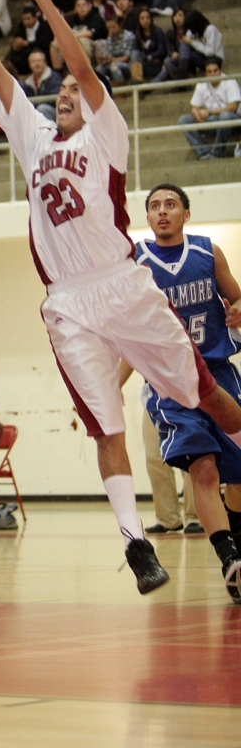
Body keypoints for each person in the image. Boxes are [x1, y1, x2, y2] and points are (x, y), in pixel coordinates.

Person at [0, 0, 241, 593]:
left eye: (78, 88)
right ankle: (136, 545)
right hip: (67, 299)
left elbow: (79, 60)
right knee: (107, 423)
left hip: (122, 283)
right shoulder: (35, 136)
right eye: (64, 91)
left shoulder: (107, 135)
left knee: (216, 402)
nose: (70, 92)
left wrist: (43, 1)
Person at [122, 183, 241, 602]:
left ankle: (238, 548)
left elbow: (237, 298)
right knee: (203, 470)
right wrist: (110, 389)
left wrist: (238, 309)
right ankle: (229, 559)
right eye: (154, 206)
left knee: (238, 477)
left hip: (219, 374)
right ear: (148, 217)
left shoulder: (209, 252)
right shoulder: (136, 262)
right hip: (170, 383)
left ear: (186, 214)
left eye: (170, 204)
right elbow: (130, 337)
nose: (162, 212)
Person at [178, 57, 240, 160]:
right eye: (209, 72)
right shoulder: (201, 84)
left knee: (224, 116)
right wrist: (196, 114)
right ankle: (203, 153)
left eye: (215, 71)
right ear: (206, 74)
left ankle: (217, 153)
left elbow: (233, 107)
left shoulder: (229, 81)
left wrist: (210, 112)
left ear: (221, 71)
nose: (213, 74)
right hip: (212, 121)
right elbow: (194, 107)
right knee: (183, 120)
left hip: (232, 121)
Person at [51, 0, 106, 68]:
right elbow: (62, 31)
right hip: (72, 44)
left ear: (89, 6)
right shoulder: (72, 20)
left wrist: (72, 36)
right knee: (54, 44)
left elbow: (90, 33)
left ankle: (86, 69)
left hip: (91, 44)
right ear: (75, 9)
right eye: (78, 6)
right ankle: (58, 72)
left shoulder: (95, 17)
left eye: (84, 5)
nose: (82, 8)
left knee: (80, 40)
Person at [5, 4, 54, 77]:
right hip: (24, 50)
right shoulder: (21, 26)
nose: (26, 22)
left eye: (28, 18)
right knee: (10, 55)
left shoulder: (44, 26)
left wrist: (28, 43)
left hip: (39, 49)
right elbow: (17, 37)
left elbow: (45, 42)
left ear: (35, 18)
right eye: (24, 19)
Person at [176, 8, 224, 77]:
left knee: (190, 53)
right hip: (202, 56)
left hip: (214, 58)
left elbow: (210, 52)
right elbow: (188, 37)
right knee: (184, 45)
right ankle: (183, 69)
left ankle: (182, 71)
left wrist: (192, 42)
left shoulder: (210, 29)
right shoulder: (195, 31)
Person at [22, 49, 62, 121]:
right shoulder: (27, 83)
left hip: (56, 111)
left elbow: (55, 100)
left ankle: (50, 132)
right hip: (36, 112)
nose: (37, 64)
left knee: (42, 108)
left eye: (39, 61)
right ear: (30, 65)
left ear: (45, 62)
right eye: (34, 61)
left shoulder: (54, 77)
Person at [95, 16, 136, 85]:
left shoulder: (129, 36)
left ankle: (120, 92)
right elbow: (110, 54)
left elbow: (126, 58)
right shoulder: (110, 38)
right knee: (99, 68)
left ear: (120, 25)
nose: (111, 30)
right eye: (109, 28)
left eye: (113, 27)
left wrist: (112, 60)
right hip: (112, 62)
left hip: (126, 64)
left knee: (114, 67)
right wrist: (104, 59)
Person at [130, 7, 167, 83]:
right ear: (139, 20)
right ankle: (138, 80)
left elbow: (161, 51)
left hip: (157, 63)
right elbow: (137, 52)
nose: (145, 21)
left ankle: (139, 84)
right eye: (142, 18)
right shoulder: (138, 34)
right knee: (134, 54)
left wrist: (149, 57)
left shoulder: (158, 32)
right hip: (144, 63)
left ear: (151, 19)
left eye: (147, 18)